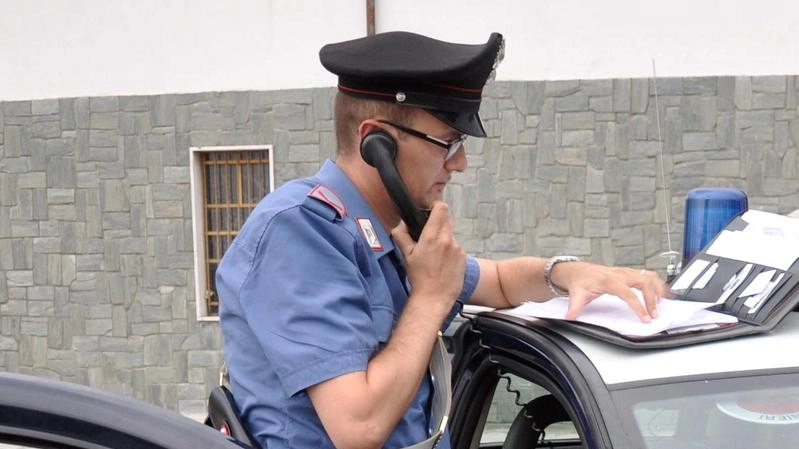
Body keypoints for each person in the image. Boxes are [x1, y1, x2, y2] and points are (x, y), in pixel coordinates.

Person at [215, 31, 669, 449]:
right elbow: (357, 426)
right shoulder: (300, 233)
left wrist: (567, 273)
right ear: (378, 145)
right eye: (447, 143)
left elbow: (499, 282)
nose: (460, 164)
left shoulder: (384, 231)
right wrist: (430, 296)